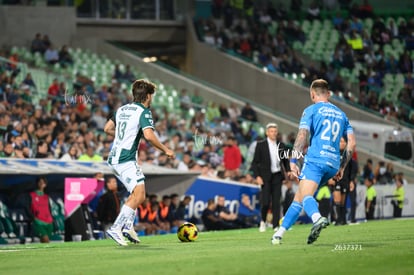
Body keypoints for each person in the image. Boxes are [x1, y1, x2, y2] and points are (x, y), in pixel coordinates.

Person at [272, 79, 356, 245]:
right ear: (329, 94)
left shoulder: (311, 110)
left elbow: (302, 135)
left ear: (312, 95)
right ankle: (278, 234)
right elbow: (352, 143)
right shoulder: (342, 114)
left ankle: (317, 218)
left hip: (316, 160)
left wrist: (294, 160)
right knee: (300, 195)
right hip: (333, 164)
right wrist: (342, 167)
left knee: (305, 195)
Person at [103, 79, 175, 246]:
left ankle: (128, 227)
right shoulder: (143, 111)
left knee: (135, 194)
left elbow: (107, 128)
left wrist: (122, 137)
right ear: (148, 96)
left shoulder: (122, 109)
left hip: (114, 157)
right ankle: (117, 227)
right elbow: (149, 136)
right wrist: (166, 150)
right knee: (140, 194)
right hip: (125, 159)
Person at [250, 122, 290, 232]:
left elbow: (285, 161)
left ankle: (275, 225)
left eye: (275, 131)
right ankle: (263, 221)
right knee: (266, 201)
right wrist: (257, 176)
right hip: (265, 177)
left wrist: (288, 171)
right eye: (271, 131)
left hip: (277, 176)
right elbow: (254, 163)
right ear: (267, 133)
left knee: (277, 201)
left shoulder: (281, 145)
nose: (273, 133)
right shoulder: (260, 145)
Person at [332, 137, 358, 225]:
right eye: (340, 141)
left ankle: (343, 219)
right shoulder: (334, 153)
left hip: (345, 180)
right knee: (337, 199)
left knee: (343, 201)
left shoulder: (348, 154)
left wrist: (351, 181)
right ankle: (338, 219)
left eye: (344, 142)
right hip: (336, 180)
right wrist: (330, 178)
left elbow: (352, 169)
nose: (342, 143)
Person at [28, 177, 54, 243]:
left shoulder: (46, 196)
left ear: (45, 185)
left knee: (44, 241)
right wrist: (33, 218)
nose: (41, 184)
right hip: (38, 222)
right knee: (46, 240)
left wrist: (51, 218)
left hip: (48, 222)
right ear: (37, 183)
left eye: (43, 182)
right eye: (40, 182)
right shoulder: (31, 195)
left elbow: (49, 208)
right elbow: (27, 208)